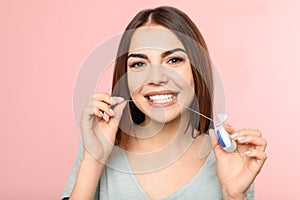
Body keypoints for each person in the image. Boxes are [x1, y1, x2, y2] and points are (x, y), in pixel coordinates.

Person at [62, 6, 267, 200]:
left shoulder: (230, 159)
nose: (156, 78)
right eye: (139, 63)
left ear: (198, 70)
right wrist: (93, 161)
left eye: (174, 60)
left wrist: (233, 196)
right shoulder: (99, 146)